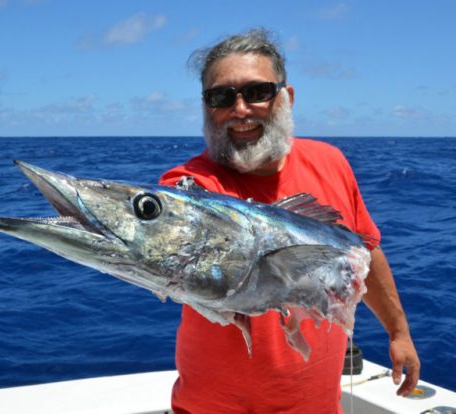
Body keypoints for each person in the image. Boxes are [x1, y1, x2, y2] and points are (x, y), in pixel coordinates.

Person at [159, 28, 420, 413]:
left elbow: (363, 251)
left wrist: (399, 332)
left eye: (258, 92)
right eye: (222, 97)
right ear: (205, 108)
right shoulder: (191, 189)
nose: (241, 109)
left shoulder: (331, 162)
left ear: (287, 98)